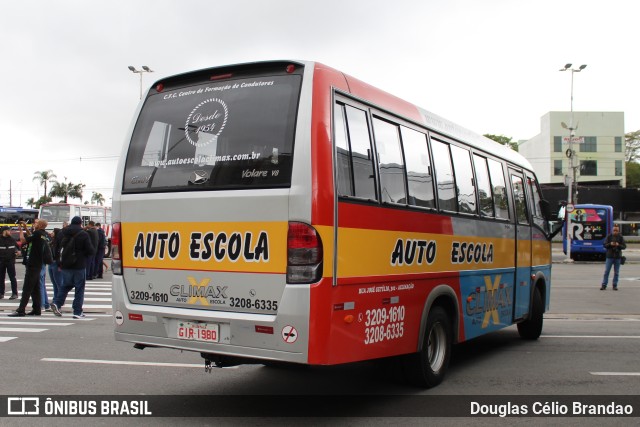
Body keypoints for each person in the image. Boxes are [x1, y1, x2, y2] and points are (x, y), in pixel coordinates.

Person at [50, 216, 94, 319]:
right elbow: (90, 250)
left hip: (65, 264)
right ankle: (77, 311)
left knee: (66, 285)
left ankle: (57, 303)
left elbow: (57, 248)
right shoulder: (83, 234)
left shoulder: (62, 232)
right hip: (79, 265)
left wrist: (59, 263)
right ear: (80, 223)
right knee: (79, 288)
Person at [8, 219, 49, 317]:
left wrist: (21, 231)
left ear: (40, 225)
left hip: (33, 264)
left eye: (36, 223)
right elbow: (32, 236)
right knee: (35, 288)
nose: (34, 224)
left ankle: (21, 310)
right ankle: (36, 309)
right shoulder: (43, 234)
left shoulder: (37, 233)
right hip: (38, 264)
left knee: (27, 288)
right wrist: (26, 227)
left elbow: (23, 241)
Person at [601, 224, 626, 291]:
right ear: (612, 230)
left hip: (617, 257)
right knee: (606, 271)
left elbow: (624, 246)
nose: (615, 232)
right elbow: (604, 245)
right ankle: (604, 285)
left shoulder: (620, 237)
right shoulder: (609, 236)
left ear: (618, 231)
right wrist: (610, 244)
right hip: (609, 256)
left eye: (616, 230)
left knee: (616, 272)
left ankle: (615, 285)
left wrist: (618, 245)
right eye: (614, 230)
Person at [0, 226, 19, 299]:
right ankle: (1, 293)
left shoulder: (12, 239)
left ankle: (15, 293)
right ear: (4, 231)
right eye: (9, 230)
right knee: (1, 278)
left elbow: (17, 248)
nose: (10, 232)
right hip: (1, 261)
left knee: (12, 277)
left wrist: (17, 252)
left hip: (10, 261)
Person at [48, 228, 64, 303]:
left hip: (56, 263)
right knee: (54, 282)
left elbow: (59, 254)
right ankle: (55, 298)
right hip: (51, 262)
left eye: (53, 232)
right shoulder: (52, 241)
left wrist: (60, 264)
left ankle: (59, 300)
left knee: (58, 283)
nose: (52, 233)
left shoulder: (59, 242)